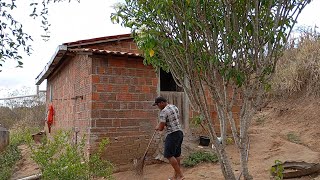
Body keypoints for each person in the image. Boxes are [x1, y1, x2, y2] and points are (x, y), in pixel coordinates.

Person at [153, 96, 184, 180]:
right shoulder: (174, 107)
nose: (158, 107)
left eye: (158, 105)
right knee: (176, 155)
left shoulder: (163, 112)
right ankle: (175, 176)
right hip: (179, 133)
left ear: (162, 103)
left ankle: (181, 175)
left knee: (168, 155)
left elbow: (161, 128)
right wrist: (162, 123)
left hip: (172, 134)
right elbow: (172, 120)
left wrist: (157, 127)